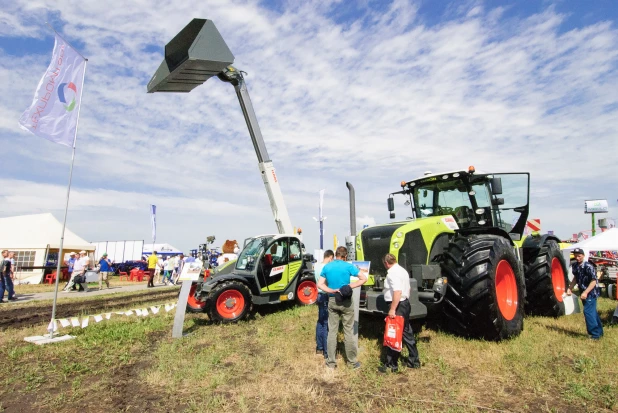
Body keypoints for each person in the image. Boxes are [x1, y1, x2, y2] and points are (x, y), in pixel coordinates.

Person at [317, 246, 367, 369]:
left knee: (332, 331)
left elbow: (320, 284)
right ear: (345, 256)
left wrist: (331, 290)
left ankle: (331, 363)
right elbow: (363, 278)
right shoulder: (348, 266)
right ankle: (352, 362)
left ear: (336, 255)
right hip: (346, 301)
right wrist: (350, 286)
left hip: (333, 300)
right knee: (348, 331)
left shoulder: (327, 266)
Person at [378, 253, 420, 373]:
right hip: (404, 304)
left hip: (397, 306)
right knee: (406, 332)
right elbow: (408, 289)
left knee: (393, 334)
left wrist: (392, 309)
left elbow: (397, 291)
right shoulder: (403, 271)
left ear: (386, 263)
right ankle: (414, 360)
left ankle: (391, 364)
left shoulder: (392, 273)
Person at [567, 248, 603, 340]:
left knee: (588, 312)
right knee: (592, 312)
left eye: (579, 256)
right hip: (582, 291)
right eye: (575, 256)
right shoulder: (575, 266)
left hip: (591, 292)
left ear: (583, 255)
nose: (577, 258)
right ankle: (599, 332)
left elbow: (594, 280)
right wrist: (570, 288)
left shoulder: (588, 266)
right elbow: (576, 277)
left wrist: (586, 292)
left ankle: (594, 335)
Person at [314, 250, 334, 358]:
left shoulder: (316, 266)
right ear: (330, 257)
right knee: (327, 322)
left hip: (319, 295)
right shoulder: (326, 268)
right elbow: (326, 283)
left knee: (320, 321)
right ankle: (327, 351)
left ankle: (319, 347)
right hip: (325, 295)